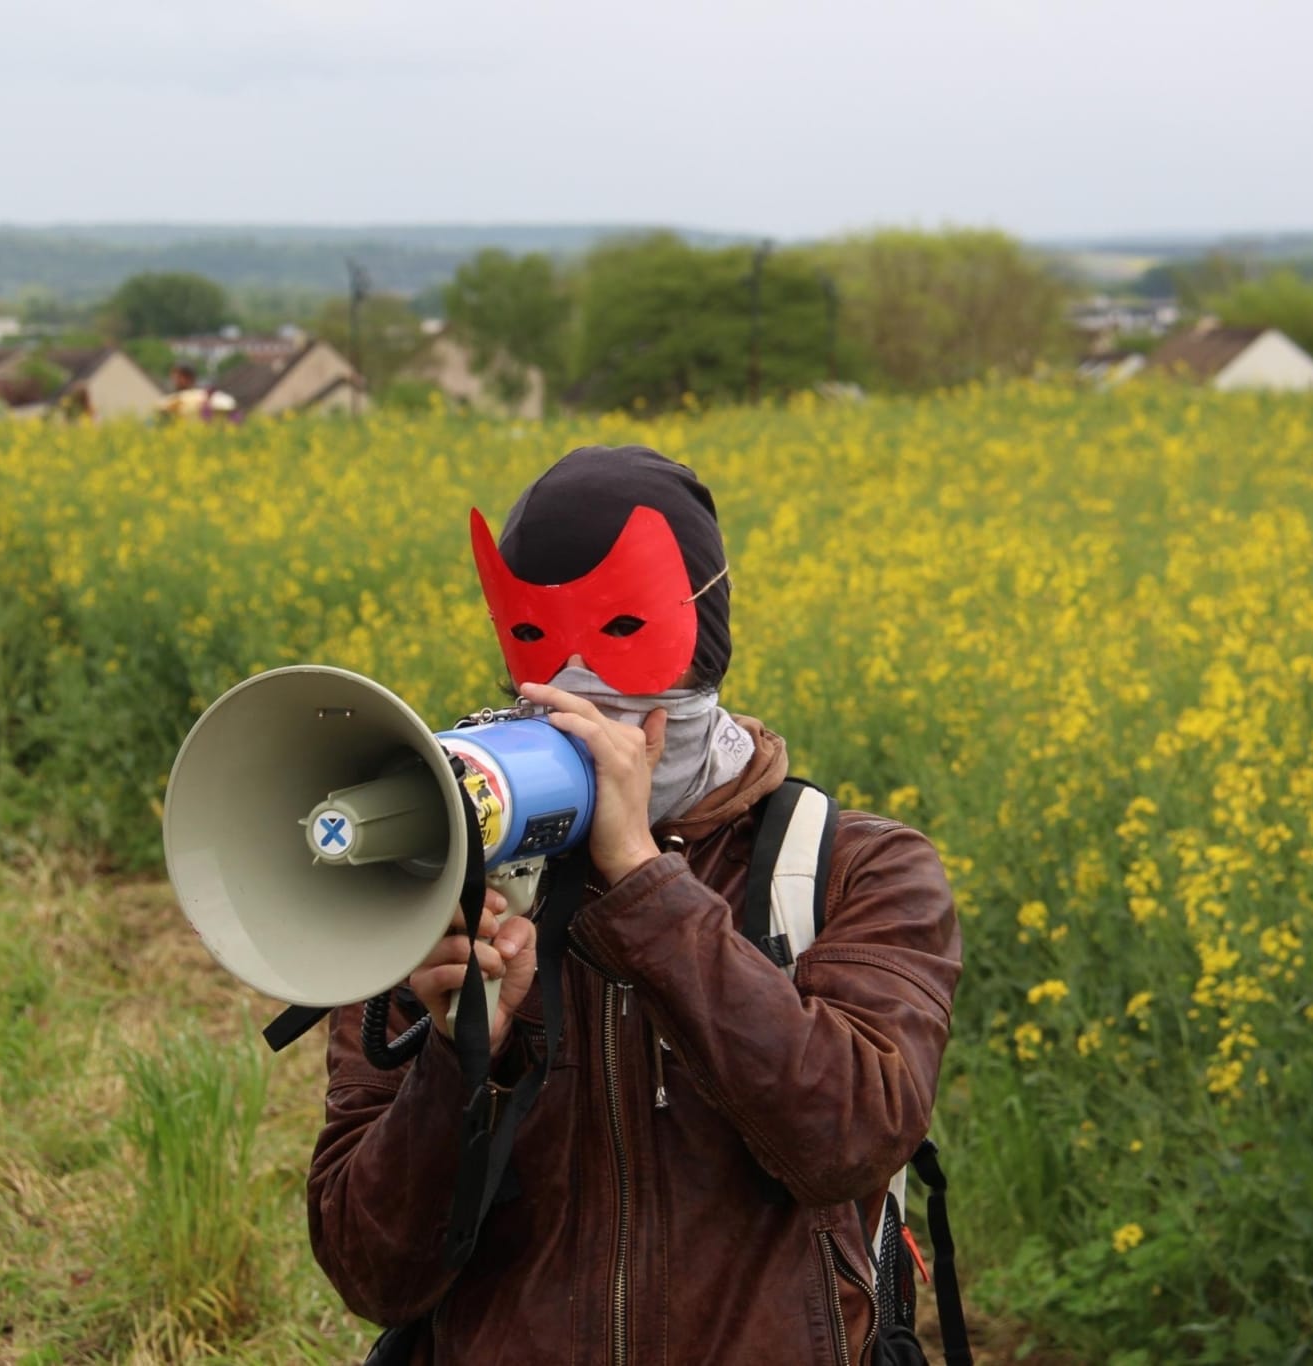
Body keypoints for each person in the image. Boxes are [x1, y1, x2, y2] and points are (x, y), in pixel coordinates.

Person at [307, 445, 963, 1364]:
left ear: (706, 645)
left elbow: (847, 1143)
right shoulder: (439, 882)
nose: (583, 694)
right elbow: (370, 1274)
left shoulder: (856, 868)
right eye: (541, 650)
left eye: (620, 635)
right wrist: (459, 1062)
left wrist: (644, 881)